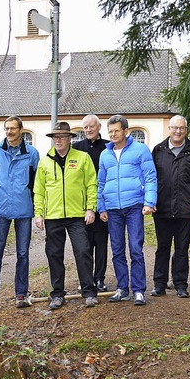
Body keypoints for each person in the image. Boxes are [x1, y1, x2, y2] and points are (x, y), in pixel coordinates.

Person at [33, 121, 98, 310]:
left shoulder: (83, 158)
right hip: (53, 216)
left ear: (70, 139)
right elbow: (39, 190)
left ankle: (89, 292)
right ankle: (57, 294)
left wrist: (90, 208)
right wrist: (39, 214)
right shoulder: (45, 161)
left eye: (62, 137)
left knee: (83, 251)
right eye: (55, 137)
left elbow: (91, 184)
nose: (58, 140)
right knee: (54, 254)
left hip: (77, 215)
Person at [97, 115, 157, 306]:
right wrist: (101, 207)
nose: (113, 134)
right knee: (117, 250)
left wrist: (149, 201)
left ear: (125, 131)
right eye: (110, 131)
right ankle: (123, 288)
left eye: (116, 130)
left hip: (134, 206)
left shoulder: (140, 150)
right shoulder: (105, 154)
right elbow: (101, 182)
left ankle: (138, 290)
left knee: (136, 249)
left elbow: (150, 177)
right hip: (113, 208)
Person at [0, 116, 39, 310]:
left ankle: (21, 294)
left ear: (21, 130)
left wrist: (28, 198)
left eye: (13, 129)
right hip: (0, 209)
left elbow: (35, 182)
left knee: (22, 253)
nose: (9, 132)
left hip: (24, 209)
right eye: (6, 128)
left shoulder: (32, 153)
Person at [151, 115, 190, 298]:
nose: (178, 131)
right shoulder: (158, 150)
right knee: (162, 247)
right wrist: (151, 201)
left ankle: (181, 284)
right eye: (174, 128)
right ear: (169, 129)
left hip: (185, 210)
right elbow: (151, 179)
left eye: (181, 128)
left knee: (182, 249)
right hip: (162, 208)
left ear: (186, 130)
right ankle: (159, 284)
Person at [73, 114, 110, 291]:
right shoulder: (77, 148)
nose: (88, 130)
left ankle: (99, 278)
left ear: (99, 127)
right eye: (85, 127)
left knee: (101, 243)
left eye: (91, 126)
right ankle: (86, 280)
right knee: (84, 245)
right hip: (82, 204)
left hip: (103, 203)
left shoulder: (108, 147)